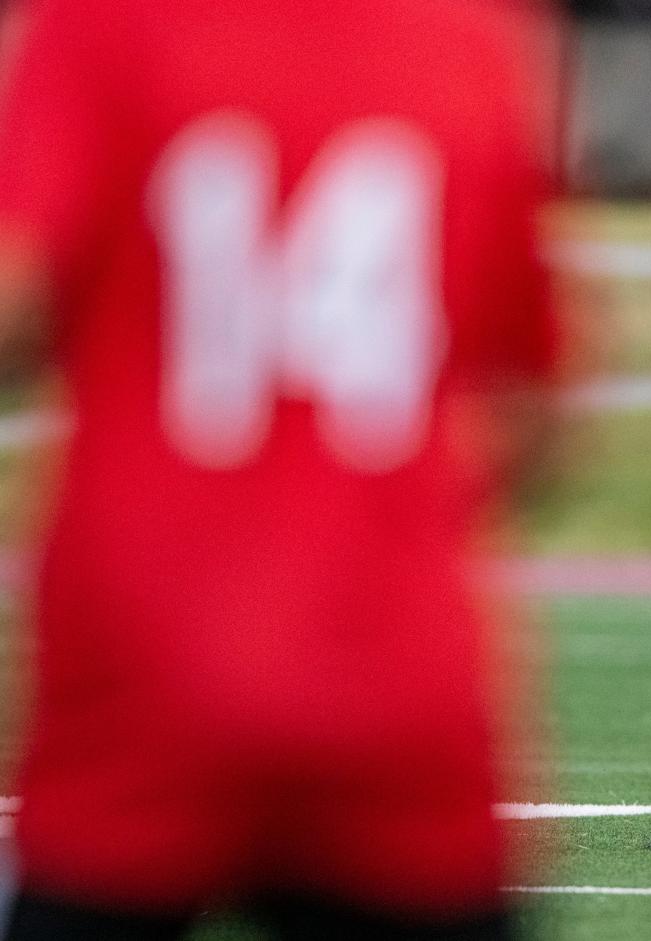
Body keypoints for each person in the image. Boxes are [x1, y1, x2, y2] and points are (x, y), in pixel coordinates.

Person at [0, 1, 561, 937]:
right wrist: (365, 512)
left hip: (142, 670)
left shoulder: (101, 23)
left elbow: (18, 297)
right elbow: (531, 406)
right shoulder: (474, 37)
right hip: (394, 676)